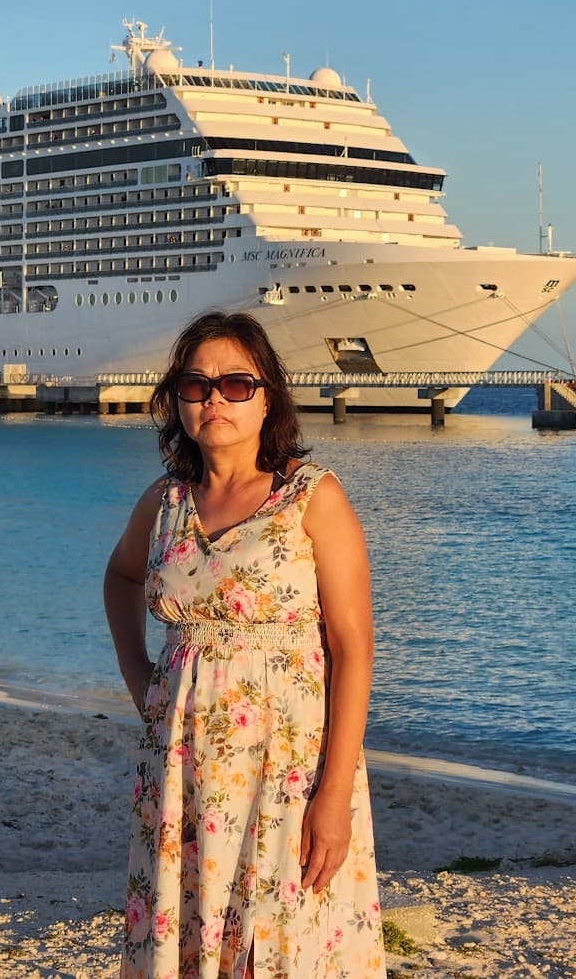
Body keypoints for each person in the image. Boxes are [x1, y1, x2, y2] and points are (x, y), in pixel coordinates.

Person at [104, 311, 385, 979]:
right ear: (177, 398)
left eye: (236, 383)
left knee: (285, 942)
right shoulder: (165, 501)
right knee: (191, 935)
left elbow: (354, 648)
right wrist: (140, 676)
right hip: (182, 768)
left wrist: (334, 797)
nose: (214, 399)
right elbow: (119, 577)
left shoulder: (312, 497)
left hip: (290, 770)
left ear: (268, 396)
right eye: (197, 384)